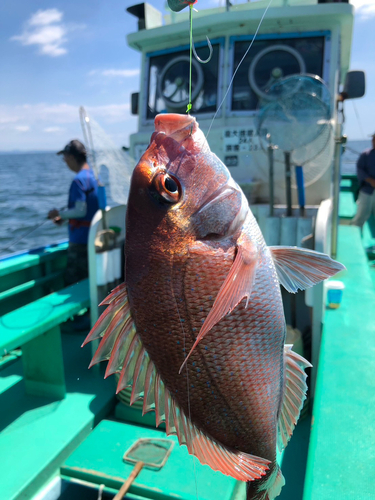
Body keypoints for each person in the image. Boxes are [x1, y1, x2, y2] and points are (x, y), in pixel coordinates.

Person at [48, 140, 99, 285]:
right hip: (95, 238)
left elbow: (80, 211)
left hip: (80, 243)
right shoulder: (95, 177)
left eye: (64, 158)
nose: (65, 162)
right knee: (91, 282)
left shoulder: (78, 181)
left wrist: (59, 214)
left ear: (71, 157)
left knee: (74, 281)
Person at [351, 133, 375, 228]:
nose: (373, 141)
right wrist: (371, 181)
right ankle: (354, 237)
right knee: (361, 216)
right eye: (373, 139)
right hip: (367, 191)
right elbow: (360, 171)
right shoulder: (365, 154)